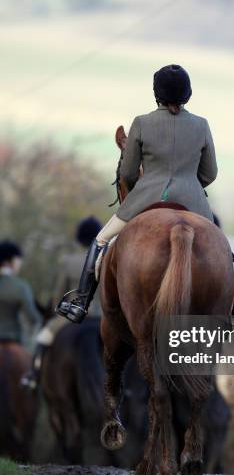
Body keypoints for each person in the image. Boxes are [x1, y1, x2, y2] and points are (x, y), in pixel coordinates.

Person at [56, 64, 218, 323]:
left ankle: (81, 301)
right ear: (188, 94)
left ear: (157, 94)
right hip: (194, 201)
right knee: (222, 251)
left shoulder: (142, 123)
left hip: (146, 197)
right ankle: (232, 305)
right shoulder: (202, 124)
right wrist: (189, 184)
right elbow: (210, 173)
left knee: (100, 240)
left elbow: (129, 172)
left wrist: (141, 188)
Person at [21, 216, 103, 389]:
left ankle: (33, 375)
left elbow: (60, 294)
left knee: (43, 338)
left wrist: (55, 310)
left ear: (80, 238)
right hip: (103, 318)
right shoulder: (109, 259)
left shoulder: (68, 261)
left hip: (72, 317)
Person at [0, 240, 41, 346]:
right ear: (8, 262)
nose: (19, 264)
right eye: (17, 260)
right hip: (13, 337)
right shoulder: (20, 286)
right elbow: (33, 317)